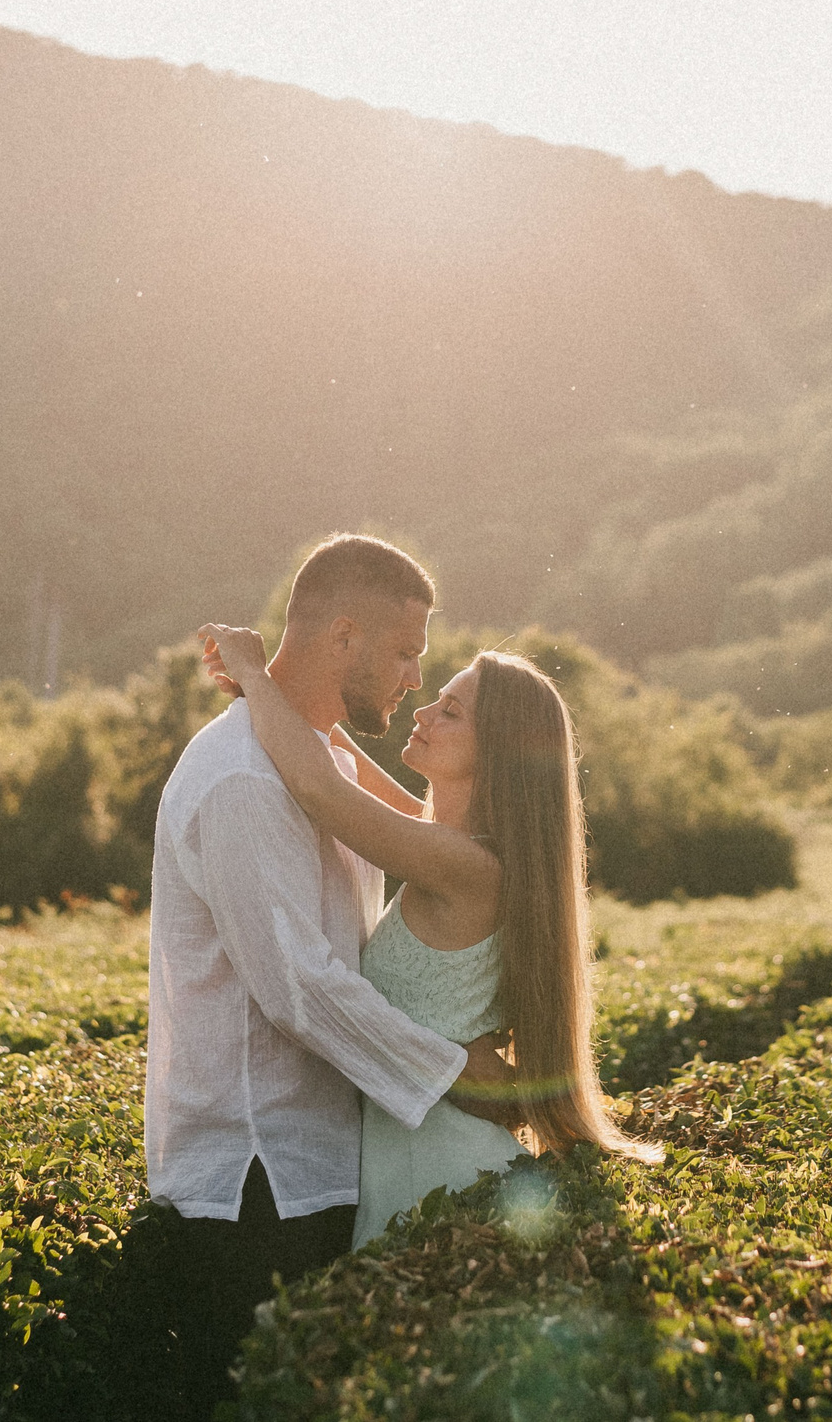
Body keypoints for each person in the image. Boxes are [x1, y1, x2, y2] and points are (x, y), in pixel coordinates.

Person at [139, 534, 519, 1418]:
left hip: (318, 1167)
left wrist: (255, 672)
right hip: (256, 1181)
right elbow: (299, 987)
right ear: (343, 635)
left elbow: (411, 822)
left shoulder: (324, 759)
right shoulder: (242, 777)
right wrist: (454, 1071)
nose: (413, 680)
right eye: (403, 652)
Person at [198, 610, 656, 1253]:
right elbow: (340, 766)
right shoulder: (456, 849)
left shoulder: (465, 866)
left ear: (496, 756)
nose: (422, 713)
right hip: (418, 1152)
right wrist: (280, 689)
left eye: (450, 712)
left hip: (438, 1163)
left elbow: (323, 791)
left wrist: (252, 671)